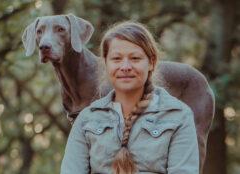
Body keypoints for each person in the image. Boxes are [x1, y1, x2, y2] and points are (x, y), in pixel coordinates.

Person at [60, 22, 199, 174]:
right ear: (105, 63)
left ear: (151, 62)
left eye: (135, 58)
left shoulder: (178, 116)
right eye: (116, 59)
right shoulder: (86, 120)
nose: (125, 66)